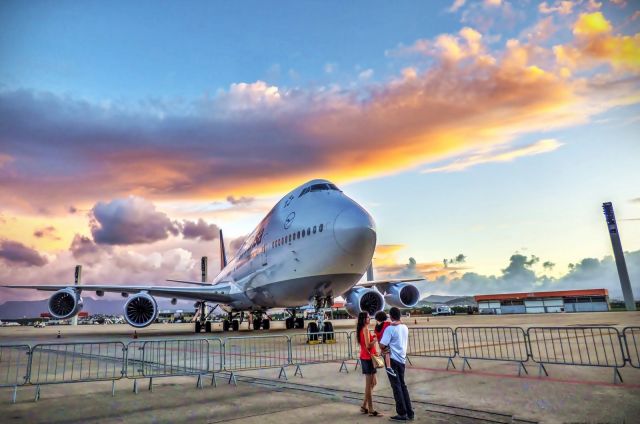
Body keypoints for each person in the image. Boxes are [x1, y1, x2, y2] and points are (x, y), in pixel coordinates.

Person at [379, 307, 414, 421]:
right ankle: (410, 412)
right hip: (402, 360)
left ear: (391, 316)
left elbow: (382, 345)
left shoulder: (390, 329)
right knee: (403, 386)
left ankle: (402, 413)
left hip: (392, 360)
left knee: (396, 387)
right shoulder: (405, 327)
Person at [356, 311, 383, 417]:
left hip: (366, 357)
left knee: (373, 383)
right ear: (363, 319)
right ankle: (370, 409)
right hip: (368, 358)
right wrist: (375, 339)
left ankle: (364, 406)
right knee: (369, 384)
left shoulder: (361, 329)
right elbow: (368, 345)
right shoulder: (365, 329)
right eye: (367, 317)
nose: (369, 319)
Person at [374, 311, 396, 378]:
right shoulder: (387, 324)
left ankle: (387, 366)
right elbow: (394, 324)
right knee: (387, 354)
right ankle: (389, 367)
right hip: (386, 343)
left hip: (380, 343)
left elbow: (376, 336)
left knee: (385, 353)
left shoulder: (376, 327)